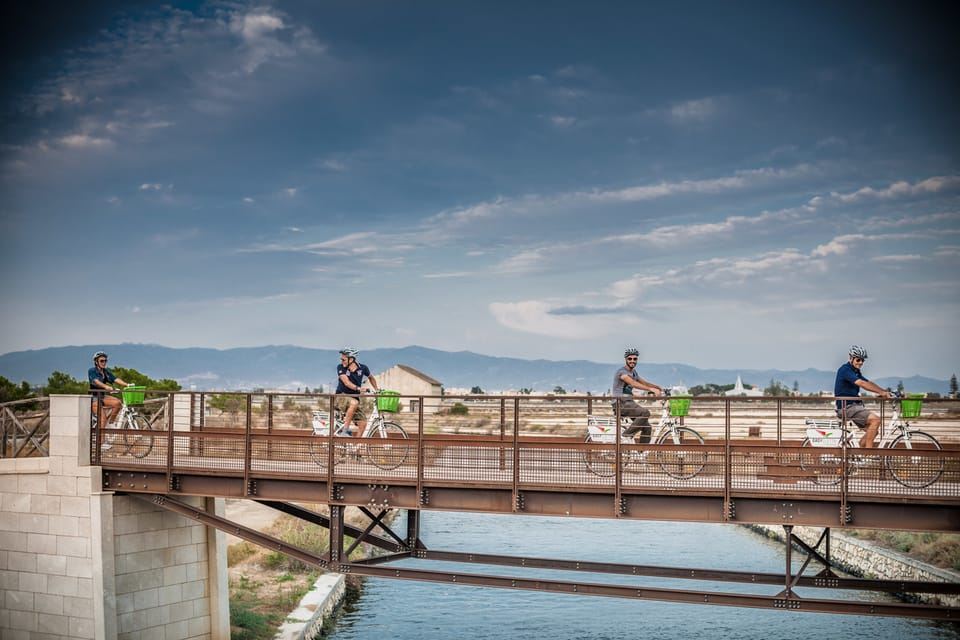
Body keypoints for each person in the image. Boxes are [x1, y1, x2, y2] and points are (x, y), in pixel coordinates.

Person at [834, 345, 891, 448]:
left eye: (862, 360)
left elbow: (867, 382)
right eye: (858, 359)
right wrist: (881, 393)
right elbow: (862, 384)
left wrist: (884, 391)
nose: (860, 362)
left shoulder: (856, 371)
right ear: (851, 358)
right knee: (876, 420)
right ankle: (868, 453)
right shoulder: (845, 370)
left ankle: (859, 455)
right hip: (846, 407)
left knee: (873, 431)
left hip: (854, 406)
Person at [611, 348, 663, 443]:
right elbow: (633, 383)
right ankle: (625, 436)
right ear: (626, 360)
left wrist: (658, 387)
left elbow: (644, 383)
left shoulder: (634, 373)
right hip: (620, 403)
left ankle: (641, 454)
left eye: (635, 359)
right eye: (630, 359)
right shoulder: (622, 372)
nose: (632, 361)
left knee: (647, 428)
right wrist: (651, 389)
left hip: (629, 403)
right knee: (645, 413)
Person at [335, 348, 379, 435]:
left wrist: (376, 389)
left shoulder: (363, 368)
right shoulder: (340, 367)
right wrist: (359, 389)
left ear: (351, 359)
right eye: (341, 359)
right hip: (341, 396)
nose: (341, 361)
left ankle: (355, 447)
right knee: (354, 403)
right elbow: (346, 383)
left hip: (354, 399)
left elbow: (371, 377)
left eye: (343, 359)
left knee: (363, 424)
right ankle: (345, 430)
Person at [88, 351, 132, 426]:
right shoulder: (92, 371)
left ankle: (111, 423)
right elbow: (96, 381)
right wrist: (106, 387)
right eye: (102, 361)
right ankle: (101, 437)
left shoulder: (105, 372)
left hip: (102, 396)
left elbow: (115, 379)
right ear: (96, 362)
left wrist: (127, 385)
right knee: (103, 418)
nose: (104, 363)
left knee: (118, 403)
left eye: (105, 361)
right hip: (94, 398)